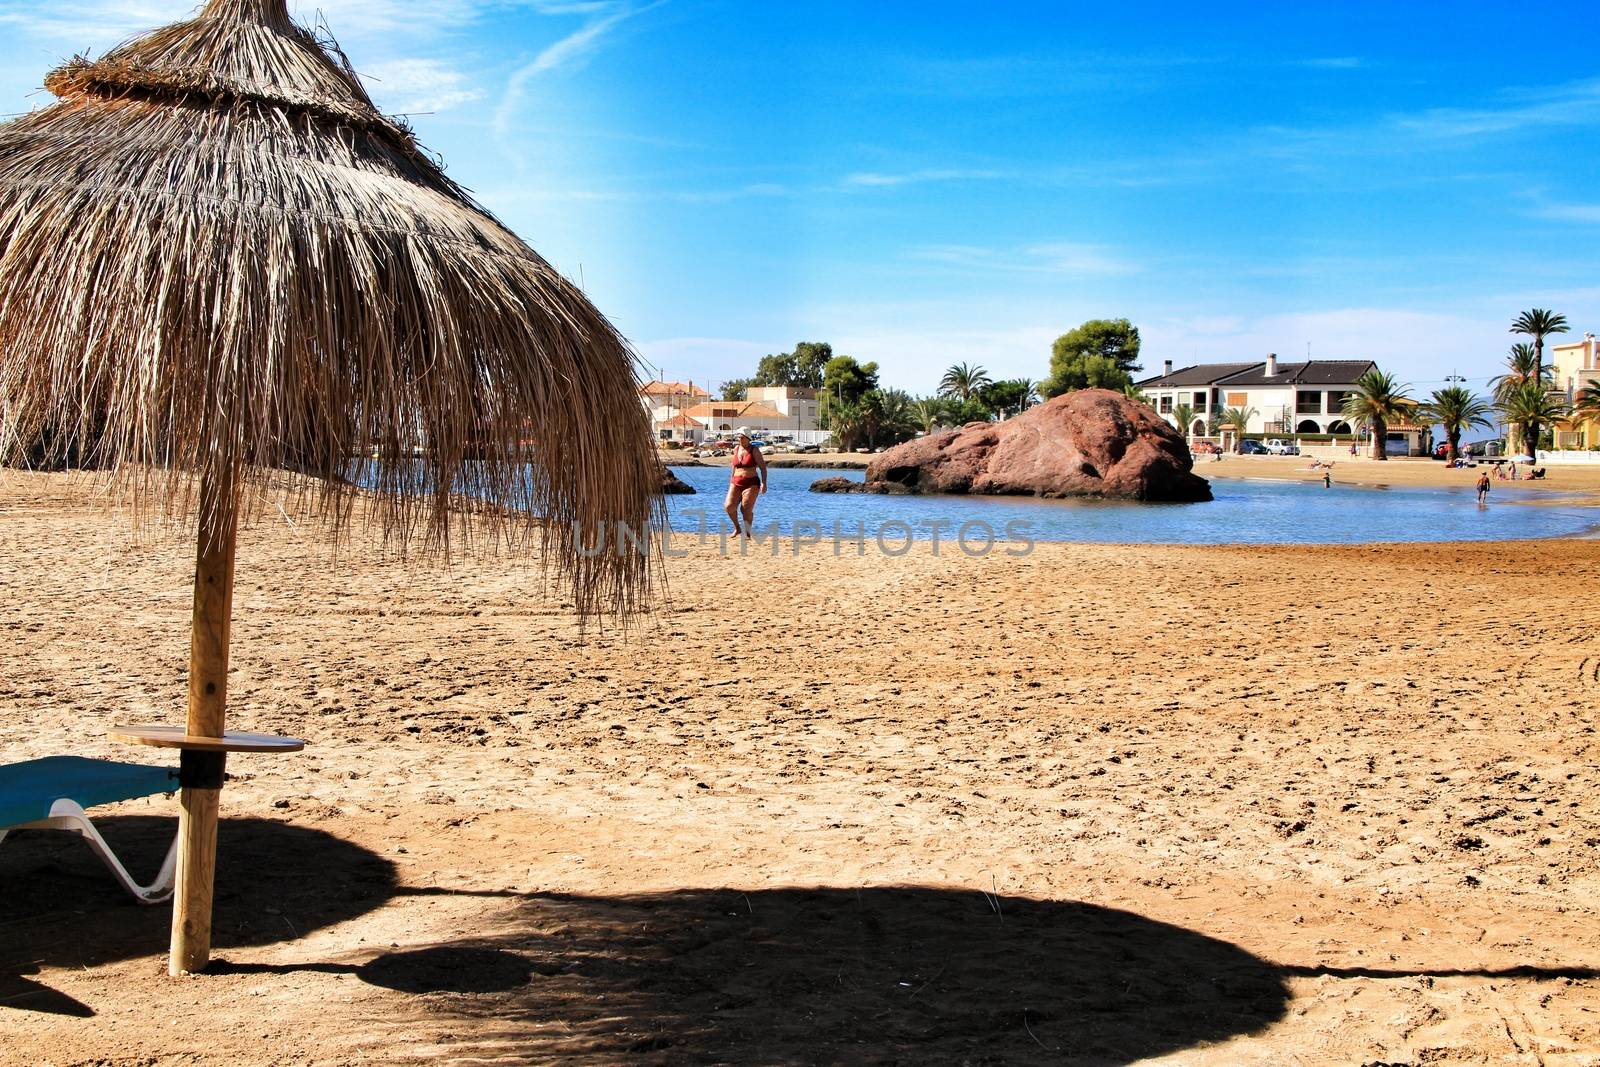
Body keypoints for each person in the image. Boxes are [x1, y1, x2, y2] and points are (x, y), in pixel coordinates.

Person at [724, 427, 767, 539]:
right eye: (739, 437)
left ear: (748, 438)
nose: (740, 439)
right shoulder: (736, 449)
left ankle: (747, 532)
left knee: (746, 508)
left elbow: (763, 467)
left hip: (751, 482)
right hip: (736, 482)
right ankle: (737, 528)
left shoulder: (754, 450)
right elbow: (733, 466)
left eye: (742, 437)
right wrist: (731, 481)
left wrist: (764, 483)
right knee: (729, 506)